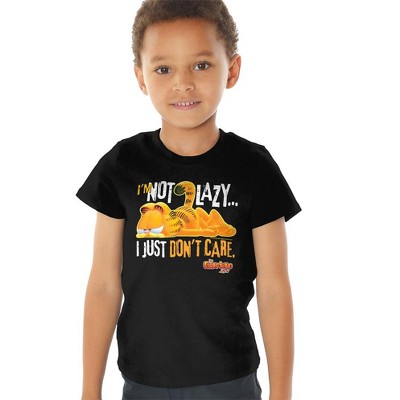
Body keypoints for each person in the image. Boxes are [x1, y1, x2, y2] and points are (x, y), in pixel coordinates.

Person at [76, 0, 301, 399]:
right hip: (144, 381)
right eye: (163, 69)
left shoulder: (254, 167)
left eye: (201, 65)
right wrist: (89, 391)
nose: (182, 83)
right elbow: (104, 285)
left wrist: (281, 393)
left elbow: (274, 288)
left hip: (230, 381)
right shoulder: (122, 165)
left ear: (231, 70)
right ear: (140, 77)